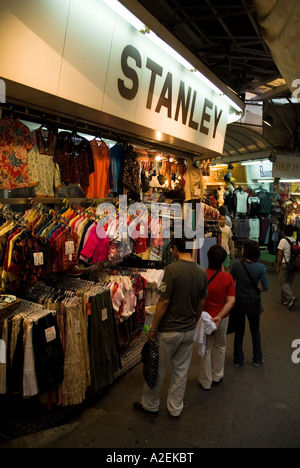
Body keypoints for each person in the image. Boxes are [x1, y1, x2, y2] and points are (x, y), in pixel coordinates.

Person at [134, 235, 208, 418]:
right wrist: (194, 320)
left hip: (169, 330)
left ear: (175, 249)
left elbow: (164, 301)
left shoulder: (172, 269)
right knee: (181, 372)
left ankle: (150, 404)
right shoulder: (201, 272)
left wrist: (153, 328)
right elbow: (201, 302)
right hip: (188, 329)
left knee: (158, 369)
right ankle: (175, 407)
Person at [198, 245, 235, 390]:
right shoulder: (227, 277)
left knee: (205, 348)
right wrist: (219, 316)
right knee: (220, 346)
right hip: (222, 318)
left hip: (204, 318)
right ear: (223, 260)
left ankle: (205, 381)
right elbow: (231, 300)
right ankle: (217, 375)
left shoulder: (202, 275)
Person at [230, 239, 269, 368]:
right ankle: (258, 358)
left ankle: (238, 359)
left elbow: (231, 282)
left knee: (239, 330)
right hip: (254, 302)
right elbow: (266, 287)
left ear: (246, 251)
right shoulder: (260, 267)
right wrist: (258, 289)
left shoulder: (236, 265)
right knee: (255, 330)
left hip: (239, 301)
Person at [277, 224, 298, 309]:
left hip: (285, 264)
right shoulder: (296, 241)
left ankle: (290, 298)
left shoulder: (283, 240)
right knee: (288, 282)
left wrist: (278, 265)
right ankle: (283, 298)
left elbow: (279, 254)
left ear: (284, 231)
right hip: (293, 265)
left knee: (282, 281)